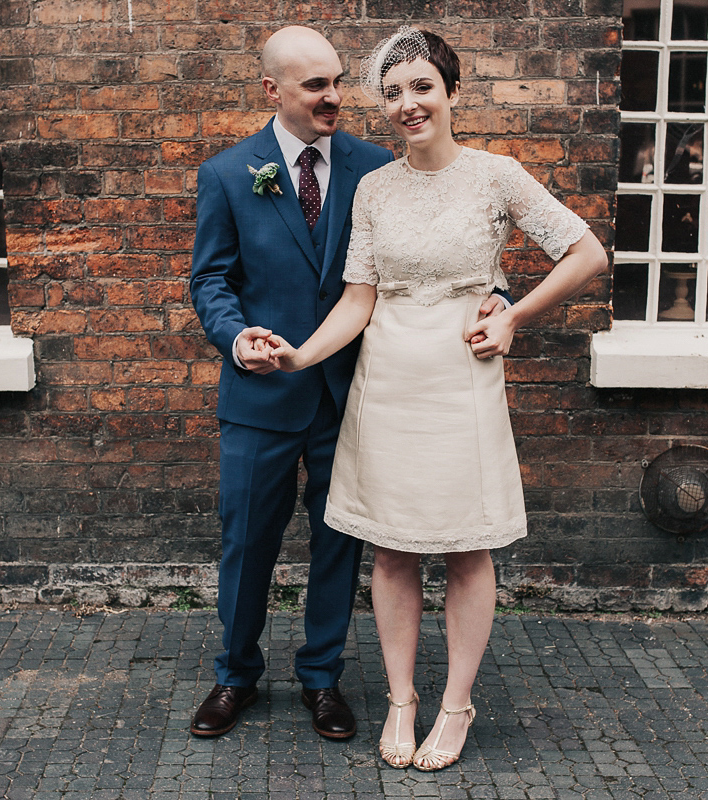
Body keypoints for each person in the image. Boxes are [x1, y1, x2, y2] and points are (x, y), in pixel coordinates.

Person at [266, 28, 609, 770]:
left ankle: (456, 703)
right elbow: (359, 300)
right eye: (392, 93)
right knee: (388, 548)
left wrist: (513, 313)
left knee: (464, 545)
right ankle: (400, 698)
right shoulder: (373, 189)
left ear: (453, 92)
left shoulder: (496, 176)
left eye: (422, 87)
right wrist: (300, 354)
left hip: (461, 380)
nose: (407, 105)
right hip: (386, 381)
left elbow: (586, 252)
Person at [188, 25, 507, 740]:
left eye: (338, 81)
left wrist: (502, 302)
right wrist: (237, 336)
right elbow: (210, 278)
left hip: (353, 394)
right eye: (316, 86)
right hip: (259, 396)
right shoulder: (229, 173)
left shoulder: (376, 166)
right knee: (246, 542)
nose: (335, 96)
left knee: (342, 542)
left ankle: (322, 678)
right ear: (273, 91)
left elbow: (454, 248)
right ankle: (235, 675)